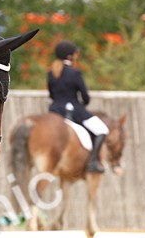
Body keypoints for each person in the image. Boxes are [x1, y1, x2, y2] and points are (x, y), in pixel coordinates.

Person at [47, 40, 109, 173]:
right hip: (74, 111)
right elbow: (85, 97)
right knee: (102, 130)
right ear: (70, 56)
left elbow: (52, 95)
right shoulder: (75, 73)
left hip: (54, 110)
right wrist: (83, 103)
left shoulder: (51, 73)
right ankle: (92, 162)